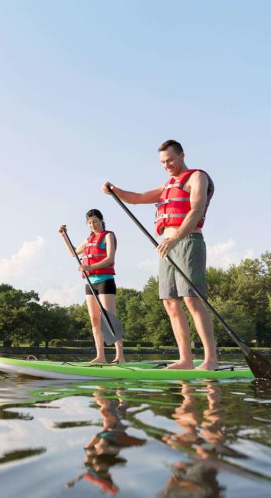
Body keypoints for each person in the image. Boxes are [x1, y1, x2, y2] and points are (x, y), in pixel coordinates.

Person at [103, 139, 217, 370]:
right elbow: (136, 198)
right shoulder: (166, 186)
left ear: (182, 156)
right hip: (167, 247)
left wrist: (174, 238)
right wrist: (116, 190)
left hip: (187, 241)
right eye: (163, 162)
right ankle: (185, 360)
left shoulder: (197, 177)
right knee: (170, 302)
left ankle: (210, 360)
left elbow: (195, 210)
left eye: (171, 160)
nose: (167, 165)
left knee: (192, 299)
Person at [59, 209, 125, 364]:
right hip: (90, 284)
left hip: (105, 281)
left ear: (101, 220)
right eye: (89, 223)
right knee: (95, 320)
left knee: (109, 318)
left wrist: (90, 267)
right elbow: (74, 253)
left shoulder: (108, 235)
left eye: (95, 221)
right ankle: (100, 356)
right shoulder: (89, 239)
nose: (92, 225)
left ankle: (120, 356)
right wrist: (63, 236)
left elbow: (110, 258)